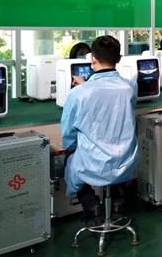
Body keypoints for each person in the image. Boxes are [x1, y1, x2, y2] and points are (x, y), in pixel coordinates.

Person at [61, 36, 139, 223]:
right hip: (126, 160)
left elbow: (68, 135)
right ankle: (117, 204)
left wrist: (84, 86)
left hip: (93, 165)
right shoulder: (130, 87)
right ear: (119, 59)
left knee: (69, 157)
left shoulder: (79, 93)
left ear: (92, 59)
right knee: (115, 169)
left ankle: (92, 206)